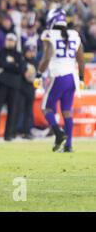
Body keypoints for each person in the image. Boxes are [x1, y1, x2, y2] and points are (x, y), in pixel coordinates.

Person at [34, 8, 85, 152]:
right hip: (72, 77)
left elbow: (47, 57)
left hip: (57, 76)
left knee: (46, 108)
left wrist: (38, 74)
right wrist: (81, 77)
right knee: (67, 111)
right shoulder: (74, 34)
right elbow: (81, 59)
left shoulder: (49, 34)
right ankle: (68, 145)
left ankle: (58, 133)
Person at [0, 33, 26, 141]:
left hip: (14, 85)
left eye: (12, 40)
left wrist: (8, 65)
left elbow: (21, 69)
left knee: (12, 111)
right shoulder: (1, 52)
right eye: (8, 40)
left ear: (15, 42)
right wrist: (13, 65)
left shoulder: (18, 54)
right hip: (2, 84)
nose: (10, 42)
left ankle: (8, 135)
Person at [17, 44, 37, 139]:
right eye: (29, 51)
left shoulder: (35, 62)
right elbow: (27, 75)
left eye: (33, 51)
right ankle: (17, 130)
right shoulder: (22, 62)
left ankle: (27, 131)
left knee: (29, 111)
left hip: (31, 89)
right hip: (22, 89)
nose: (31, 53)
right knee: (20, 110)